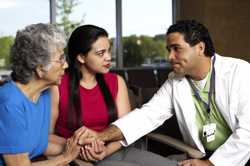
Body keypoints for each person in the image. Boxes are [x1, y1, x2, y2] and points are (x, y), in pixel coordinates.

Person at [78, 20, 250, 166]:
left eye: (176, 48)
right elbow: (147, 116)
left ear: (200, 47)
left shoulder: (240, 72)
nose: (170, 57)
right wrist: (101, 135)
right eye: (169, 50)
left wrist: (212, 164)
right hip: (203, 157)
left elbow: (247, 133)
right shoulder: (176, 80)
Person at [49, 24, 177, 166]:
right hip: (78, 156)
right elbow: (46, 137)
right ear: (81, 57)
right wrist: (80, 146)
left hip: (114, 150)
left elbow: (127, 128)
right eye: (100, 53)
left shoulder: (116, 81)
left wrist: (106, 150)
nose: (108, 57)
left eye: (108, 51)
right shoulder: (57, 86)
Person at [0, 23, 83, 165]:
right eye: (60, 59)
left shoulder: (44, 93)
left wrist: (80, 147)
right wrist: (65, 158)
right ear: (40, 69)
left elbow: (40, 146)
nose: (66, 65)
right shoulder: (10, 103)